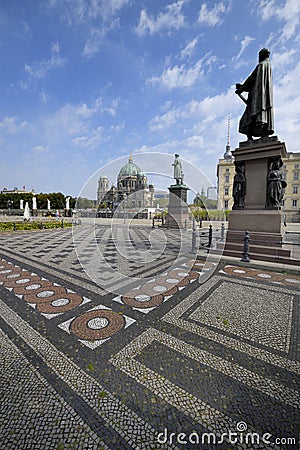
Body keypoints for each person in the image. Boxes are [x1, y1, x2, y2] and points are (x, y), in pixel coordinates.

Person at [235, 48, 274, 140]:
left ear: (261, 56)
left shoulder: (261, 65)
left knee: (247, 119)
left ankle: (251, 135)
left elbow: (251, 79)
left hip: (257, 100)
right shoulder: (268, 66)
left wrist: (241, 88)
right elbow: (255, 82)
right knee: (259, 115)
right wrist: (242, 87)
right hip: (263, 97)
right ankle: (263, 133)